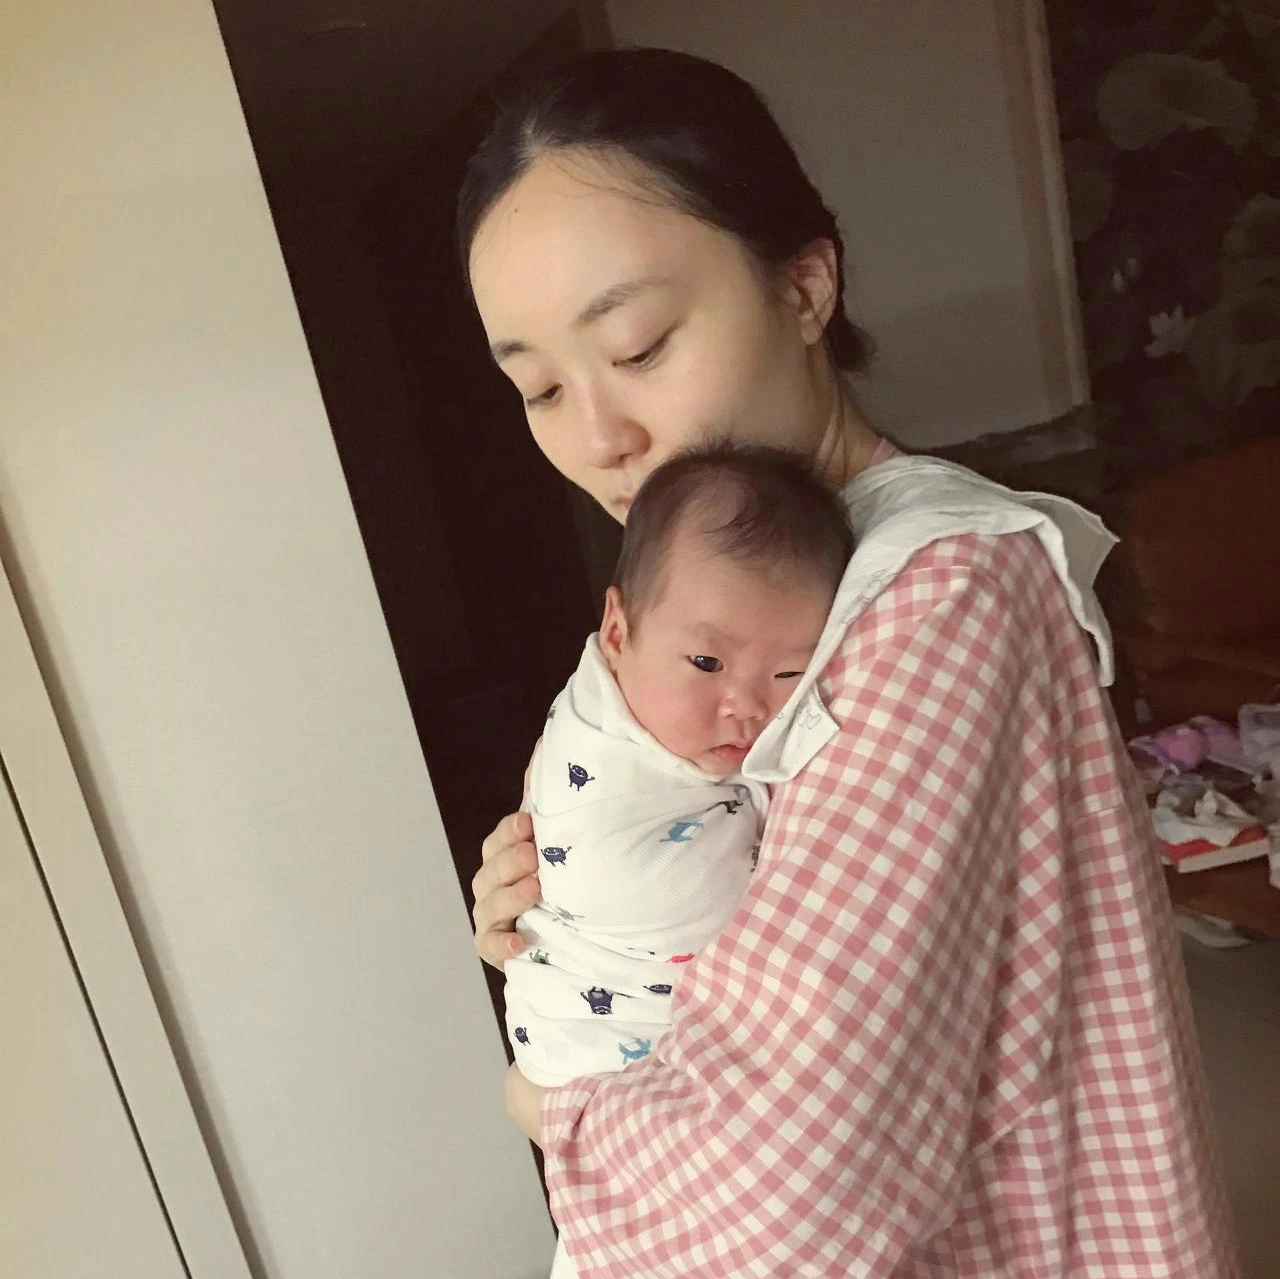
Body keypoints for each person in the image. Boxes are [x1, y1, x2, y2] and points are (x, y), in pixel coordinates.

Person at [461, 47, 1241, 1279]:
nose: (599, 436)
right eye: (540, 388)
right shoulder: (722, 594)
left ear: (803, 283)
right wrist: (579, 898)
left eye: (641, 346)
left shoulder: (938, 595)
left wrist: (549, 1106)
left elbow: (786, 1189)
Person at [506, 441, 852, 1088]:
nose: (746, 706)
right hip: (606, 1050)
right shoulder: (605, 770)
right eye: (706, 663)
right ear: (617, 633)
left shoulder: (652, 699)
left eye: (789, 674)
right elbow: (737, 915)